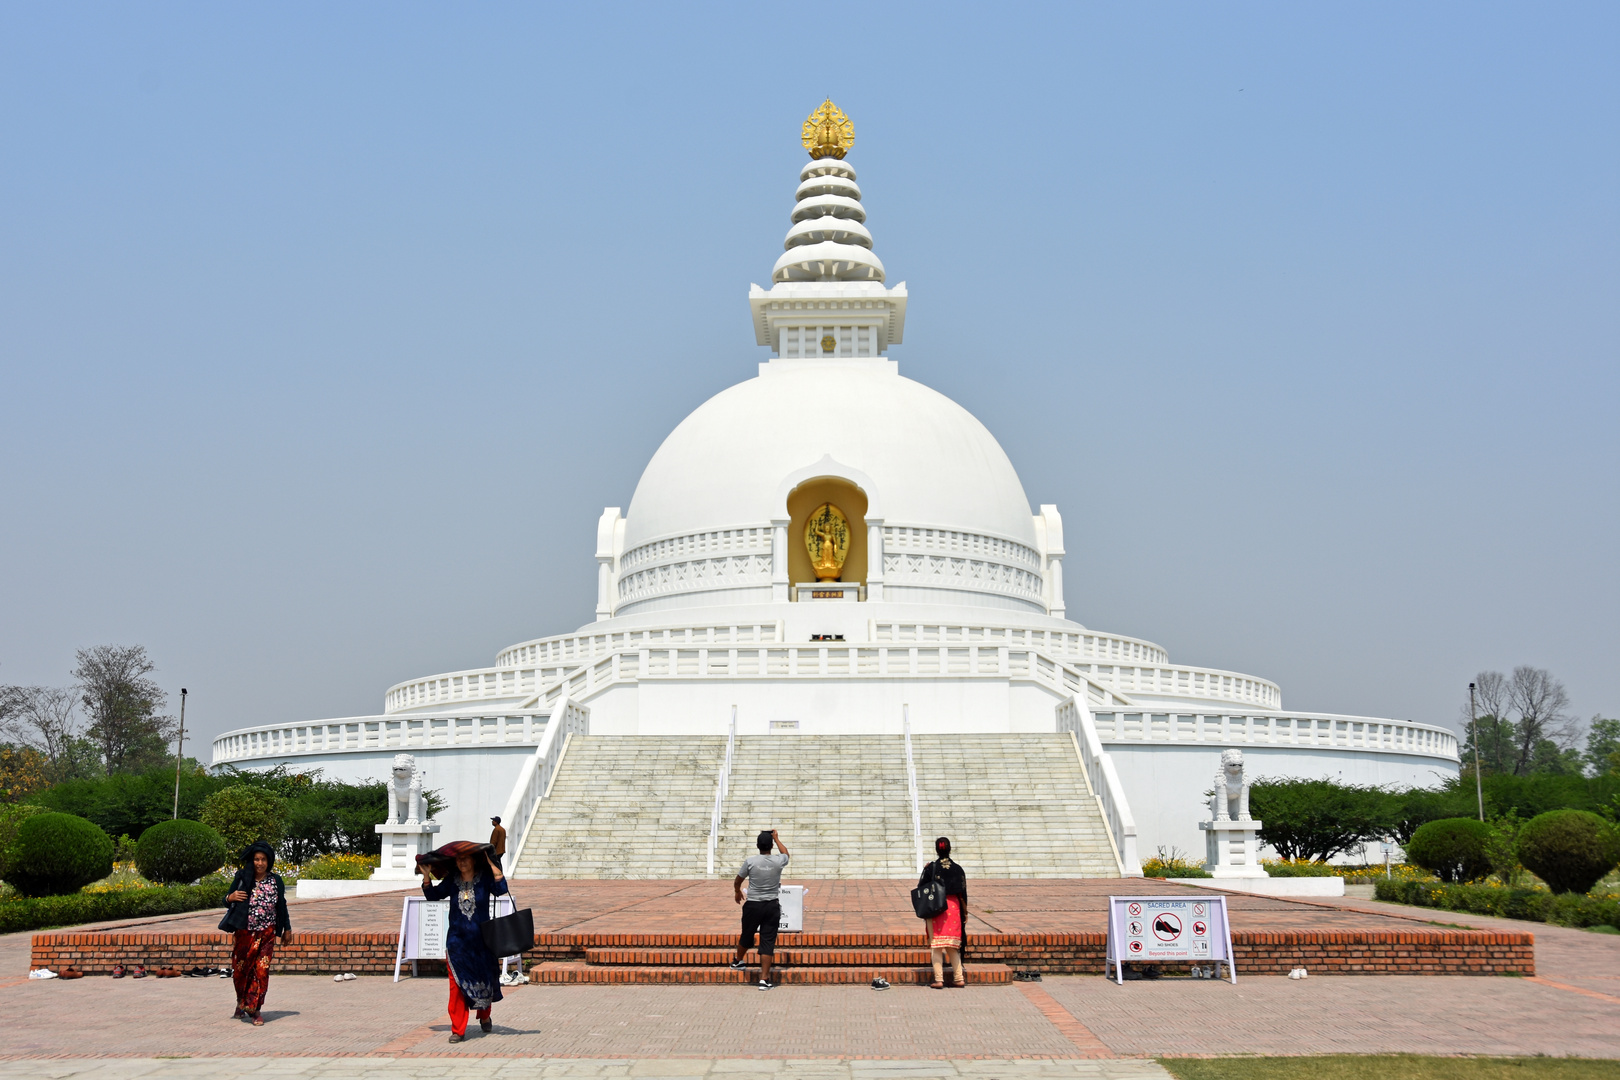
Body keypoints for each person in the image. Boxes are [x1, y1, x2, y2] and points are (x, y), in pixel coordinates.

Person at [416, 840, 509, 1043]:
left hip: (482, 942)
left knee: (483, 980)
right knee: (456, 986)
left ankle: (484, 1015)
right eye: (458, 859)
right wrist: (426, 875)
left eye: (466, 858)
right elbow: (433, 896)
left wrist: (492, 863)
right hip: (457, 943)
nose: (462, 862)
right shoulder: (452, 880)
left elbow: (501, 889)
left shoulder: (484, 879)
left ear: (475, 860)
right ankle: (458, 1029)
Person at [220, 840, 292, 1025]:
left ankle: (255, 1010)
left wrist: (287, 929)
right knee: (241, 971)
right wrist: (231, 897)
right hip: (245, 933)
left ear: (269, 862)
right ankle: (241, 1002)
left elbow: (281, 905)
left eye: (263, 860)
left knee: (261, 971)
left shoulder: (276, 880)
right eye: (256, 859)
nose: (259, 863)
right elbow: (226, 899)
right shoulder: (243, 876)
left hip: (267, 933)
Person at [731, 828, 790, 991]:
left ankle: (738, 960)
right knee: (767, 940)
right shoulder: (779, 861)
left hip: (753, 905)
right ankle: (764, 979)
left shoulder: (750, 861)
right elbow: (786, 854)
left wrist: (737, 892)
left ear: (757, 846)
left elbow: (738, 880)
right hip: (771, 905)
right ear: (771, 846)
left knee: (747, 934)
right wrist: (777, 838)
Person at [918, 836, 967, 989]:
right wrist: (965, 913)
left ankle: (939, 980)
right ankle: (958, 977)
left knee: (936, 945)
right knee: (952, 946)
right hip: (953, 908)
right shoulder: (958, 868)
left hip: (936, 908)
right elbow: (963, 894)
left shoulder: (931, 868)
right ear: (949, 849)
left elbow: (921, 887)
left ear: (936, 850)